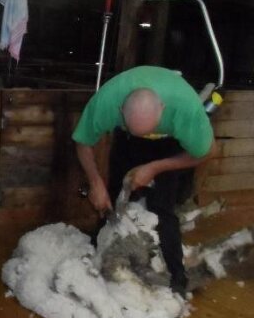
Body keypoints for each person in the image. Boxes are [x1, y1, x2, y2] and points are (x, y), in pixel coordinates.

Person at [72, 66, 216, 297]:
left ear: (163, 109)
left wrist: (155, 167)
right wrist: (94, 181)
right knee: (115, 192)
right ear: (120, 110)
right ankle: (98, 249)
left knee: (162, 207)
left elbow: (207, 152)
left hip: (168, 145)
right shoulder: (107, 101)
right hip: (127, 141)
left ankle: (177, 274)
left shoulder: (185, 108)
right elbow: (82, 142)